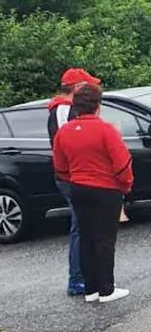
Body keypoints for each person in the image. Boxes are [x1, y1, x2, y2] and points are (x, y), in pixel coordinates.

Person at [51, 84, 133, 303]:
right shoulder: (106, 129)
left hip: (78, 187)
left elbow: (59, 165)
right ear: (98, 105)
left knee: (87, 237)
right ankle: (107, 289)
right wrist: (125, 185)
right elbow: (122, 162)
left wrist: (73, 179)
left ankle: (91, 289)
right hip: (106, 188)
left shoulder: (64, 132)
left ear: (76, 106)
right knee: (105, 239)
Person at [48, 68, 101, 296]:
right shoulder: (62, 110)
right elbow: (66, 144)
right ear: (77, 87)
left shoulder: (66, 109)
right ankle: (77, 278)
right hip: (72, 176)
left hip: (75, 175)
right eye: (87, 85)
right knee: (80, 227)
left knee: (86, 225)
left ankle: (87, 275)